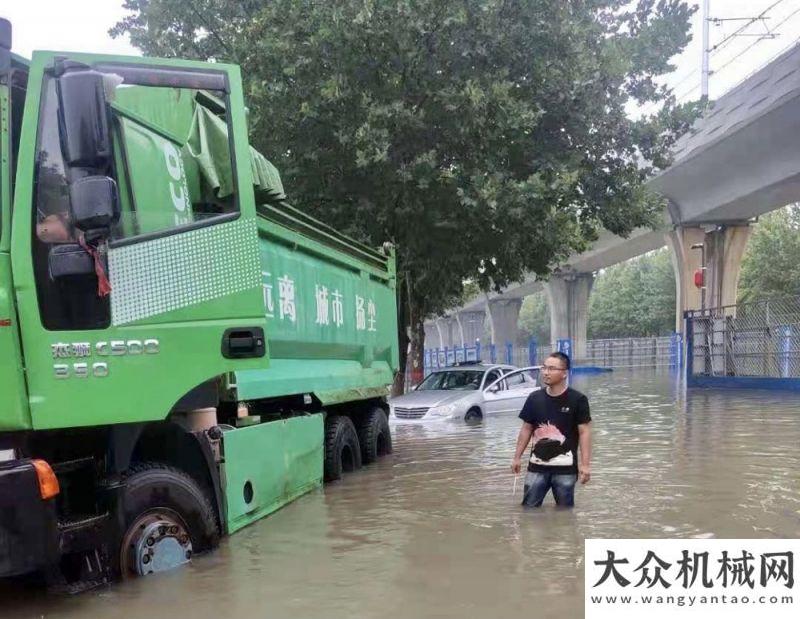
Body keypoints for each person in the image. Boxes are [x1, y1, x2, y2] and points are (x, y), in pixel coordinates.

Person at [511, 352, 592, 507]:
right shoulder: (534, 398)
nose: (546, 372)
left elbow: (584, 432)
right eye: (544, 368)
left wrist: (585, 465)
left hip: (565, 469)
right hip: (536, 467)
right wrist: (517, 457)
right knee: (529, 509)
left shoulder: (578, 399)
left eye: (551, 368)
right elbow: (526, 428)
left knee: (565, 513)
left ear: (564, 373)